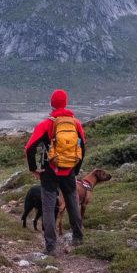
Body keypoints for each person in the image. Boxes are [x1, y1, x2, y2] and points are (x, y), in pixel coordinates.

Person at [24, 89, 85, 255]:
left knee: (49, 208)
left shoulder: (45, 124)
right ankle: (78, 238)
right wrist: (75, 170)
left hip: (49, 171)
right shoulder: (76, 124)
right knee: (73, 205)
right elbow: (82, 148)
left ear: (51, 104)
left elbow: (29, 148)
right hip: (69, 171)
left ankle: (51, 246)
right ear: (65, 103)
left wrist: (33, 169)